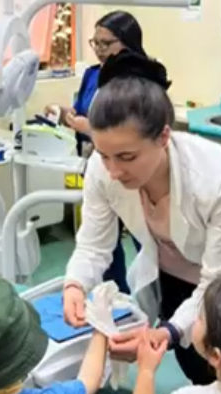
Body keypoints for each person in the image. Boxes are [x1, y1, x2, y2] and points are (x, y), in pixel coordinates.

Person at [62, 49, 221, 386]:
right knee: (195, 365)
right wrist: (75, 284)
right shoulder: (101, 169)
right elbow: (94, 246)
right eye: (105, 155)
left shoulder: (216, 180)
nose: (114, 170)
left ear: (164, 137)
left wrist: (166, 332)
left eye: (127, 156)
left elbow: (218, 281)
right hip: (177, 266)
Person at [46, 10, 146, 294]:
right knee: (103, 243)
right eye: (95, 43)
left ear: (127, 42)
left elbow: (134, 132)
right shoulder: (92, 75)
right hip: (97, 165)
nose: (99, 50)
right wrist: (65, 114)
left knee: (146, 240)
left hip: (132, 171)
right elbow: (82, 111)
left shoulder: (139, 80)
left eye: (106, 43)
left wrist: (90, 127)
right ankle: (116, 300)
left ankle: (157, 302)